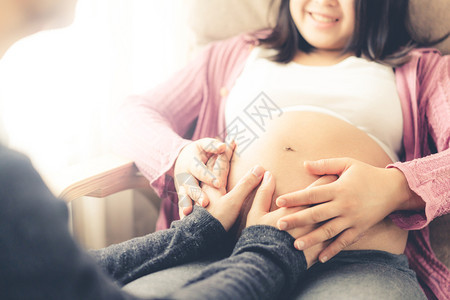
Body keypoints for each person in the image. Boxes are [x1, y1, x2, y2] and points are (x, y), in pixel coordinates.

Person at [115, 0, 450, 299]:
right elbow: (133, 113)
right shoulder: (235, 54)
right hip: (220, 250)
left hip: (353, 262)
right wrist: (179, 158)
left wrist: (396, 189)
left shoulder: (421, 70)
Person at [0, 0, 327, 299]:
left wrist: (194, 234)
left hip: (328, 254)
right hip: (255, 249)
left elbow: (64, 275)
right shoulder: (9, 186)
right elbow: (131, 116)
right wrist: (266, 250)